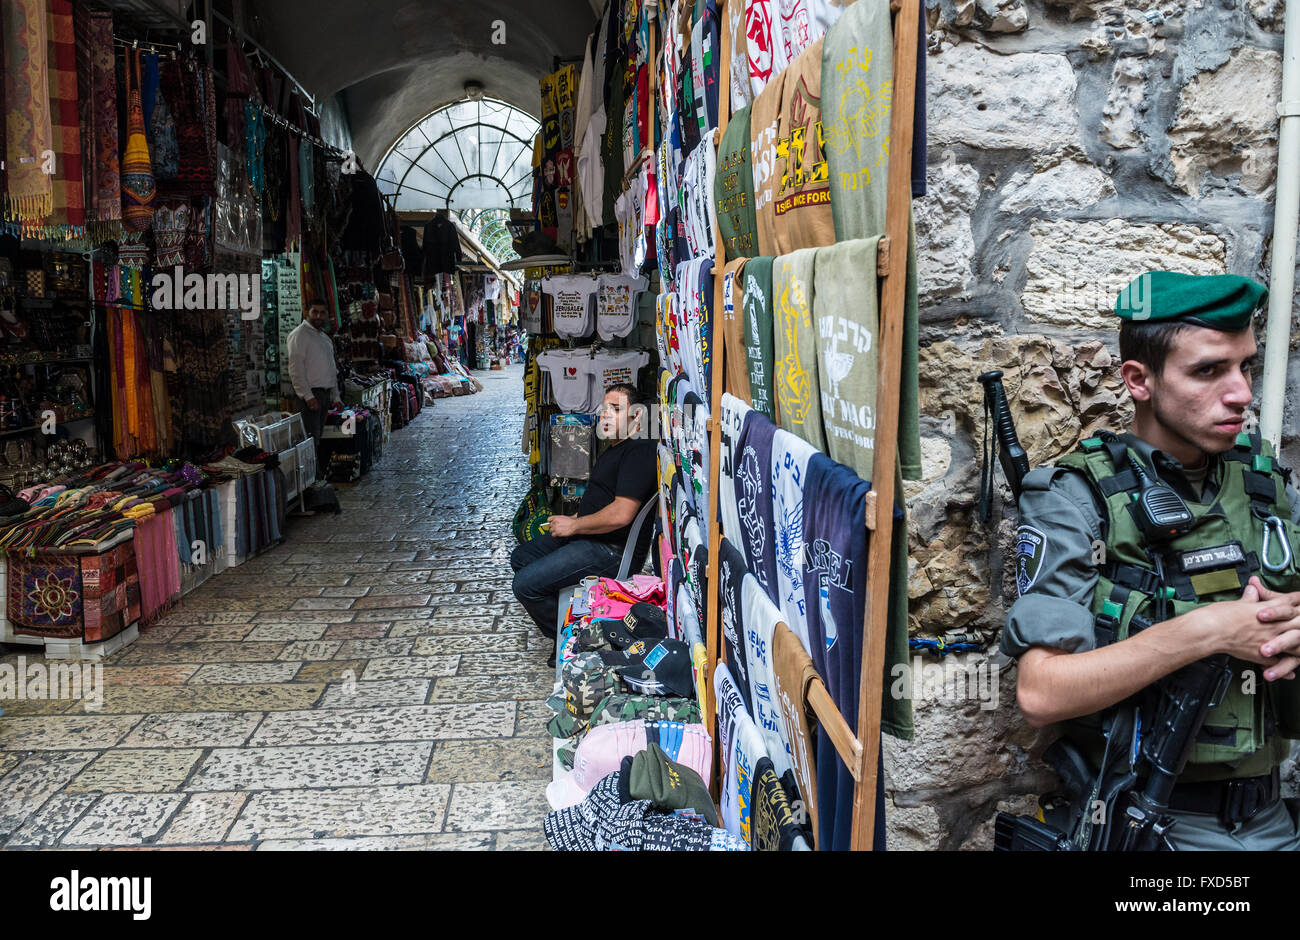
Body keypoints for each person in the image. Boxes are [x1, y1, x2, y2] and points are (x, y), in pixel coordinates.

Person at [1002, 271, 1300, 850]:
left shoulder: (1264, 484)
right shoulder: (1074, 497)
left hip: (1271, 821)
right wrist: (1206, 631)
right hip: (1150, 823)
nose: (1240, 392)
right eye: (1208, 371)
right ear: (1139, 380)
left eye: (1247, 367)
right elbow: (1042, 693)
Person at [511, 383, 657, 663]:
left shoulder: (639, 451)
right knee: (522, 556)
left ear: (637, 416)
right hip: (590, 536)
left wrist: (575, 526)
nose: (605, 415)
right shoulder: (617, 447)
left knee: (525, 585)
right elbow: (603, 502)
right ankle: (568, 626)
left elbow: (622, 513)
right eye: (604, 409)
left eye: (616, 409)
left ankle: (576, 637)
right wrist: (574, 520)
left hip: (610, 550)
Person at [286, 298, 343, 452]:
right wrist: (307, 396)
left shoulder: (324, 338)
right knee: (310, 438)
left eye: (322, 312)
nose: (318, 316)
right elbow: (295, 368)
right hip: (311, 395)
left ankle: (317, 472)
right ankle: (313, 475)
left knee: (317, 437)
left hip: (324, 394)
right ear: (307, 313)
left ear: (326, 315)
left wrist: (335, 396)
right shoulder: (299, 335)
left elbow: (331, 370)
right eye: (315, 312)